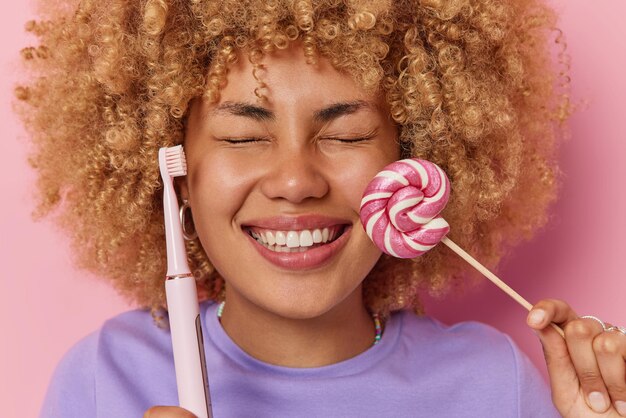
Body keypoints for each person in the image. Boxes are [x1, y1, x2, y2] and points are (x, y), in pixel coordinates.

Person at [15, 0, 626, 417]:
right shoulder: (105, 378)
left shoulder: (493, 382)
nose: (295, 180)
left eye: (347, 134)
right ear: (172, 168)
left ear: (418, 155)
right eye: (242, 136)